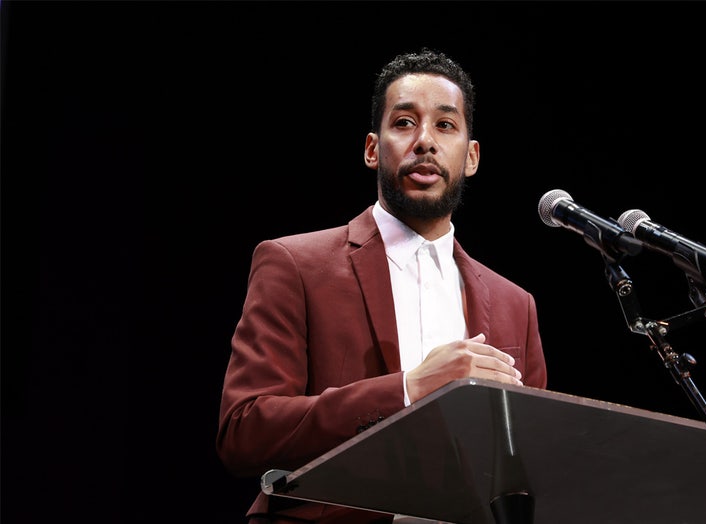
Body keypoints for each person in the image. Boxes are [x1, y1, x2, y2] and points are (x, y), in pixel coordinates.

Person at [216, 48, 549, 524]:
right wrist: (410, 388)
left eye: (445, 125)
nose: (425, 141)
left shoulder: (517, 304)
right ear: (373, 149)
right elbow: (245, 432)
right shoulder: (294, 265)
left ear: (471, 157)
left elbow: (526, 473)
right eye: (404, 122)